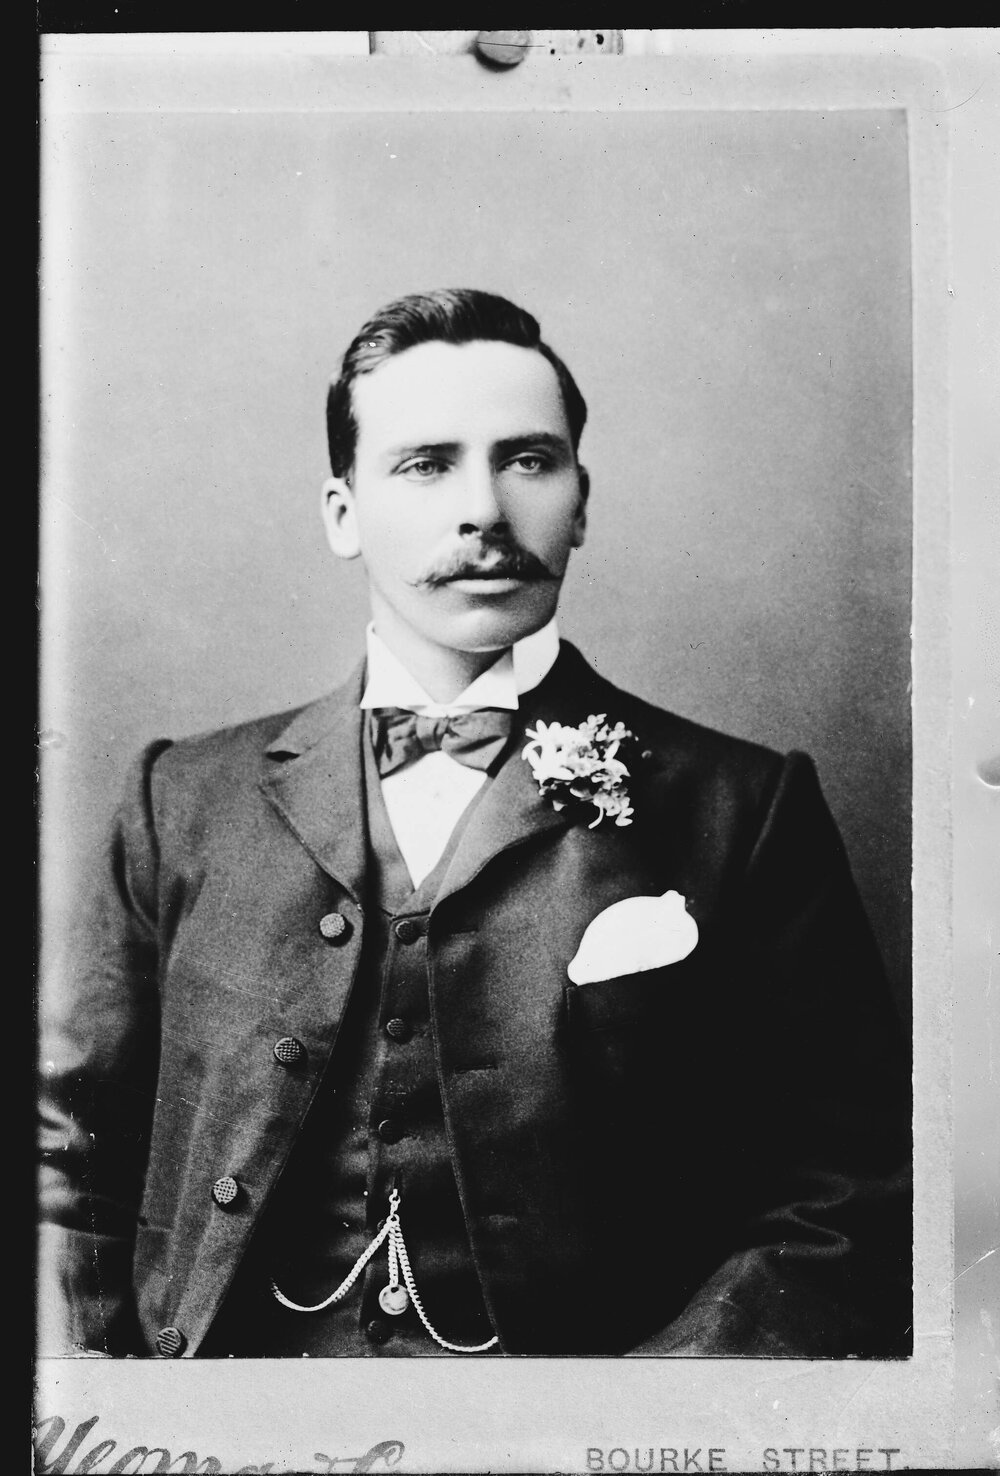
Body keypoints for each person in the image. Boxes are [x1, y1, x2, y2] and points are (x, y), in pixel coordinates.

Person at [38, 287, 911, 1360]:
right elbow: (63, 1160)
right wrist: (106, 1408)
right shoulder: (180, 801)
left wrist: (634, 1422)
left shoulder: (741, 806)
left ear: (580, 503)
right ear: (343, 513)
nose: (485, 510)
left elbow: (845, 1196)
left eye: (529, 460)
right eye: (425, 464)